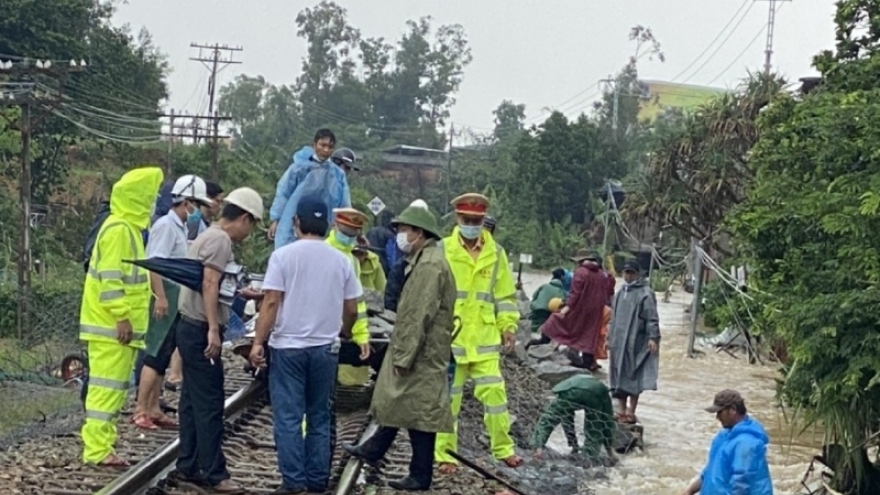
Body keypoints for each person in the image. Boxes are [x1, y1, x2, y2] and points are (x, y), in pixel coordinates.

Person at [248, 196, 360, 494]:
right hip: (325, 349)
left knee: (288, 417)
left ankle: (294, 482)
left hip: (287, 349)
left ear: (296, 223)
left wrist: (258, 342)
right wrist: (344, 332)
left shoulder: (283, 256)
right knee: (320, 416)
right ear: (328, 226)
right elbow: (352, 309)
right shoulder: (341, 260)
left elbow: (271, 302)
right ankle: (317, 481)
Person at [344, 202, 456, 491]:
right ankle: (375, 449)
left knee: (419, 412)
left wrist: (404, 355)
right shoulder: (424, 261)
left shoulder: (429, 266)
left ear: (419, 232)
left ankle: (420, 475)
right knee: (402, 403)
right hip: (424, 348)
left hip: (423, 351)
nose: (400, 236)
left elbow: (418, 313)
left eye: (404, 230)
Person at [174, 187, 263, 495]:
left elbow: (213, 284)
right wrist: (214, 328)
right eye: (252, 225)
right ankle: (215, 473)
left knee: (190, 401)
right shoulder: (221, 240)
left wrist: (240, 294)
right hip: (200, 328)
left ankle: (188, 465)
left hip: (188, 325)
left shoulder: (208, 235)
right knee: (210, 402)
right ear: (245, 219)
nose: (249, 233)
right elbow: (209, 282)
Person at [79, 166, 164, 467]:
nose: (153, 202)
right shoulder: (119, 230)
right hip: (111, 328)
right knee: (106, 390)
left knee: (113, 391)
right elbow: (110, 280)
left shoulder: (128, 229)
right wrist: (122, 317)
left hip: (115, 328)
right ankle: (97, 450)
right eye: (150, 196)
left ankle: (103, 446)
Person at [435, 193, 524, 473]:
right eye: (467, 220)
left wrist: (508, 326)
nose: (471, 225)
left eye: (476, 221)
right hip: (452, 340)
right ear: (457, 219)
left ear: (484, 221)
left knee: (496, 396)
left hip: (485, 340)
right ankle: (445, 454)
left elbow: (505, 296)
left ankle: (503, 449)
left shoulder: (496, 253)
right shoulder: (442, 249)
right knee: (449, 401)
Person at [134, 175, 213, 431]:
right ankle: (141, 409)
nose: (199, 212)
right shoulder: (166, 226)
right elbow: (154, 264)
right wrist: (161, 297)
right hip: (165, 293)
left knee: (164, 353)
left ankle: (154, 407)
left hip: (174, 295)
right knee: (154, 355)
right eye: (197, 205)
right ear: (187, 202)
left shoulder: (179, 226)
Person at [267, 129, 351, 249]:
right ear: (314, 144)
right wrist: (276, 220)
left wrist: (343, 226)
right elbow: (283, 193)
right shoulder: (298, 168)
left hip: (325, 225)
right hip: (293, 223)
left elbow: (344, 204)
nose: (326, 150)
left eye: (330, 146)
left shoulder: (337, 174)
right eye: (323, 145)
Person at [680, 390, 773, 495]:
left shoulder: (747, 442)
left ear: (733, 409)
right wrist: (689, 491)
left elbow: (741, 484)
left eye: (720, 412)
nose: (717, 417)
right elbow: (710, 471)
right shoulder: (724, 436)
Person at [608, 259, 660, 425]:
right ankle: (621, 410)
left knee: (633, 374)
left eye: (631, 272)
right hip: (618, 341)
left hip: (636, 341)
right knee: (618, 373)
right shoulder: (620, 293)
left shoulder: (645, 293)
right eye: (626, 272)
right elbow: (613, 318)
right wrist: (608, 338)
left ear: (638, 274)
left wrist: (653, 337)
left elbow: (652, 318)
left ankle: (631, 411)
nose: (628, 276)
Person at [540, 249, 609, 372]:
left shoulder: (581, 272)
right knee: (589, 334)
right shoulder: (602, 275)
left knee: (555, 320)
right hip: (596, 311)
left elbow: (575, 294)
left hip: (580, 309)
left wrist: (567, 307)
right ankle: (587, 364)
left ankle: (543, 341)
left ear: (580, 261)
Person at [530, 374, 617, 465]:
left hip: (570, 391)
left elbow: (551, 419)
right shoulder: (603, 392)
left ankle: (538, 449)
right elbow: (607, 421)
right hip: (595, 393)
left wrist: (539, 444)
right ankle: (589, 458)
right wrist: (609, 450)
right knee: (594, 427)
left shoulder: (568, 390)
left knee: (549, 418)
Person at [527, 269, 568, 347]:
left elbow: (533, 297)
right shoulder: (561, 292)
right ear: (562, 277)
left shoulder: (544, 286)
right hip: (547, 315)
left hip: (535, 311)